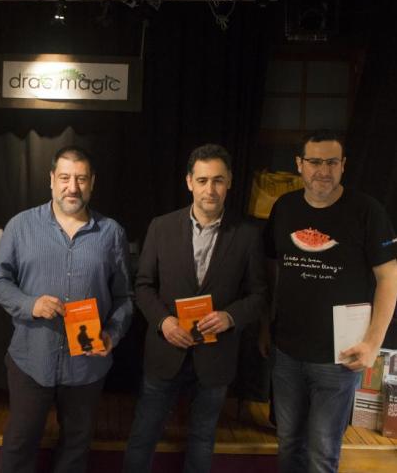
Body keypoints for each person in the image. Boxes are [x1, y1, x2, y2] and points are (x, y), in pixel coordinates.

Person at [0, 145, 133, 473]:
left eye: (81, 178)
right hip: (31, 360)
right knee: (19, 445)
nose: (73, 187)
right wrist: (30, 304)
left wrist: (112, 334)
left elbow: (124, 297)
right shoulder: (21, 226)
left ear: (92, 182)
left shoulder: (112, 233)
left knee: (76, 449)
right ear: (51, 180)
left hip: (87, 365)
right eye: (65, 178)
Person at [124, 144, 267, 473]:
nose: (210, 189)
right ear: (189, 182)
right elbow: (142, 285)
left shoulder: (247, 235)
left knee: (202, 440)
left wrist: (230, 316)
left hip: (216, 357)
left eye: (218, 180)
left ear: (229, 181)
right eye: (202, 180)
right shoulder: (161, 227)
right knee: (143, 435)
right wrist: (164, 322)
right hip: (166, 350)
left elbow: (259, 295)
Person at [262, 130, 397, 473]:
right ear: (299, 164)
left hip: (339, 357)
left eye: (332, 162)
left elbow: (389, 278)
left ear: (343, 165)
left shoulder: (367, 211)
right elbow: (272, 270)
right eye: (314, 162)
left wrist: (373, 343)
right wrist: (266, 326)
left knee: (322, 452)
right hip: (287, 352)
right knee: (287, 442)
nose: (323, 170)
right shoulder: (284, 207)